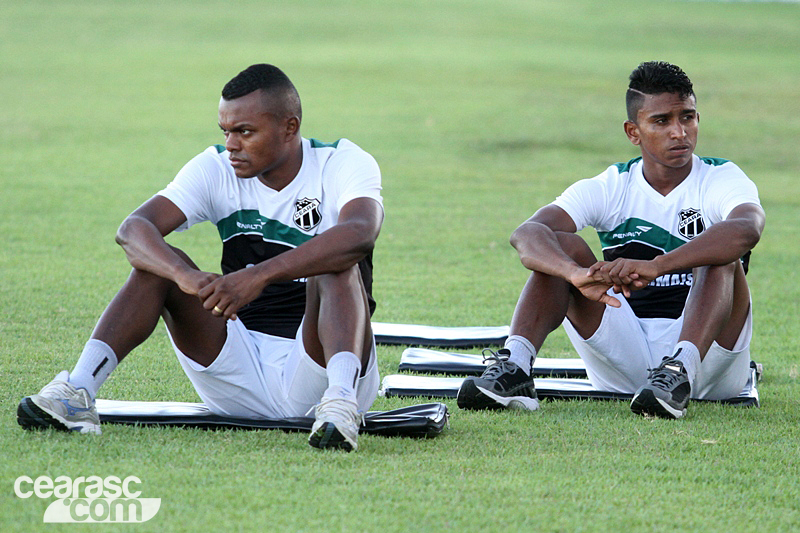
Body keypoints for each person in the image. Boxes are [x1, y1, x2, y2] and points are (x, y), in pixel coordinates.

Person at [17, 64, 384, 451]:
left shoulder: (341, 162)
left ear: (289, 128)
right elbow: (133, 229)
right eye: (225, 131)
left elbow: (360, 233)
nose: (232, 144)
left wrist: (259, 275)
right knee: (159, 262)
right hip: (239, 372)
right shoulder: (216, 167)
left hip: (323, 371)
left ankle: (342, 405)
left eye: (245, 131)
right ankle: (77, 391)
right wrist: (183, 276)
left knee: (335, 259)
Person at [457, 61, 764, 419]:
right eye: (662, 121)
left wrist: (657, 266)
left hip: (710, 362)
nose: (680, 132)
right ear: (633, 132)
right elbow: (526, 234)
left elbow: (747, 228)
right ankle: (517, 368)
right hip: (625, 353)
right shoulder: (612, 185)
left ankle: (678, 370)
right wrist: (573, 274)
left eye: (688, 117)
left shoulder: (721, 177)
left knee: (721, 254)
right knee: (562, 247)